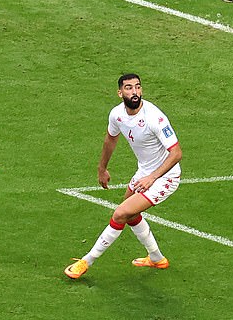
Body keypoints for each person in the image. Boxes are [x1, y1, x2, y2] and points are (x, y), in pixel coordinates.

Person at [64, 73, 182, 279]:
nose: (134, 91)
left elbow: (176, 153)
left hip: (166, 176)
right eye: (129, 88)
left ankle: (86, 261)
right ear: (120, 93)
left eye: (137, 87)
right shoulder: (117, 114)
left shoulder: (154, 117)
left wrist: (152, 178)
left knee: (120, 214)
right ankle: (157, 258)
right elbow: (110, 139)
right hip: (144, 172)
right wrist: (102, 168)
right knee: (130, 215)